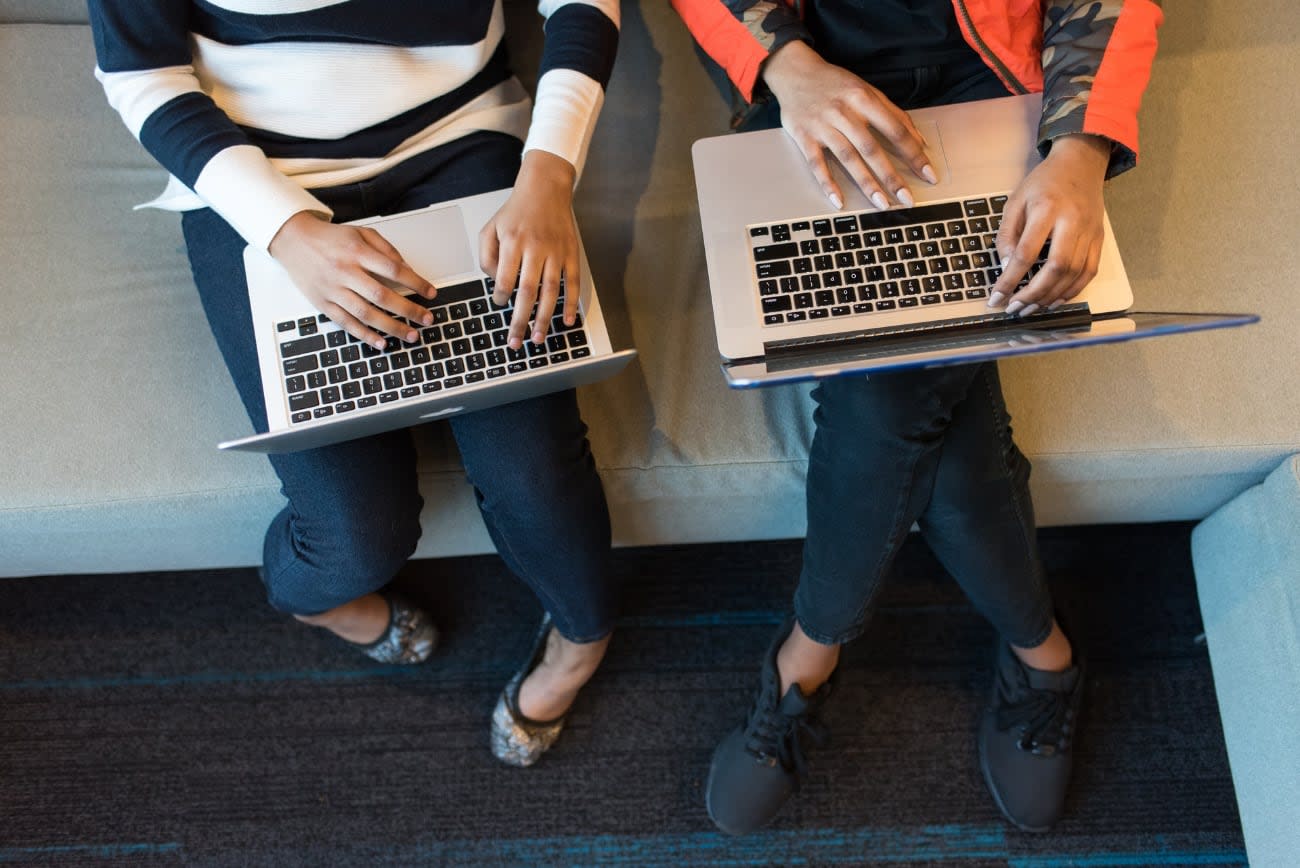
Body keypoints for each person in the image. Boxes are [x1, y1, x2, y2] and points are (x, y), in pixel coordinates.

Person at [87, 0, 622, 767]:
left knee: (535, 471)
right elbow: (142, 74)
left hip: (460, 136)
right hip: (258, 167)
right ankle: (323, 608)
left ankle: (581, 644)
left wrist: (548, 176)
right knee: (352, 536)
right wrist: (286, 231)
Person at [671, 0, 1162, 833]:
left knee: (887, 396)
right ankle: (1044, 655)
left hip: (995, 84)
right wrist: (789, 67)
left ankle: (809, 658)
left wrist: (1078, 151)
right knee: (930, 416)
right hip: (817, 85)